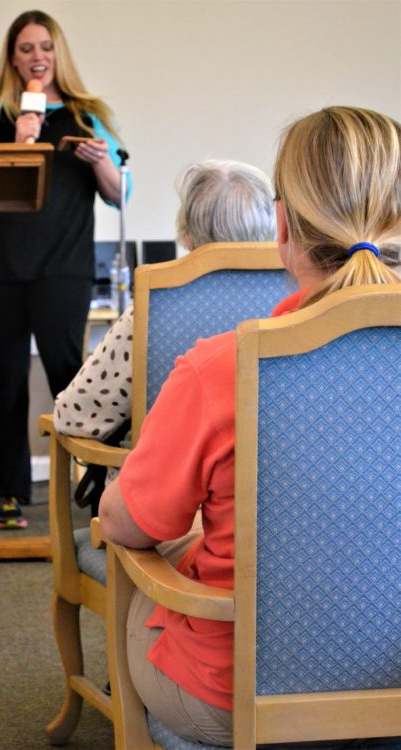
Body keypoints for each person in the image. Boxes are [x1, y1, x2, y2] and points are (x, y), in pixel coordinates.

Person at [99, 106, 401, 747]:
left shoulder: (223, 366)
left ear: (283, 227)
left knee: (139, 566)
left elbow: (126, 526)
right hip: (394, 685)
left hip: (234, 699)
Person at [0, 10, 131, 529]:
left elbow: (119, 193)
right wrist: (21, 139)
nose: (37, 56)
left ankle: (97, 489)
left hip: (64, 266)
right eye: (26, 48)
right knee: (8, 377)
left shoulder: (87, 113)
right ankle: (9, 495)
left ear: (58, 54)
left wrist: (100, 161)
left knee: (71, 378)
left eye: (45, 47)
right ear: (12, 58)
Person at [53, 159, 276, 511]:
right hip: (280, 512)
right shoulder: (302, 306)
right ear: (274, 230)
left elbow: (74, 416)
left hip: (163, 513)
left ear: (187, 237)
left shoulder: (153, 311)